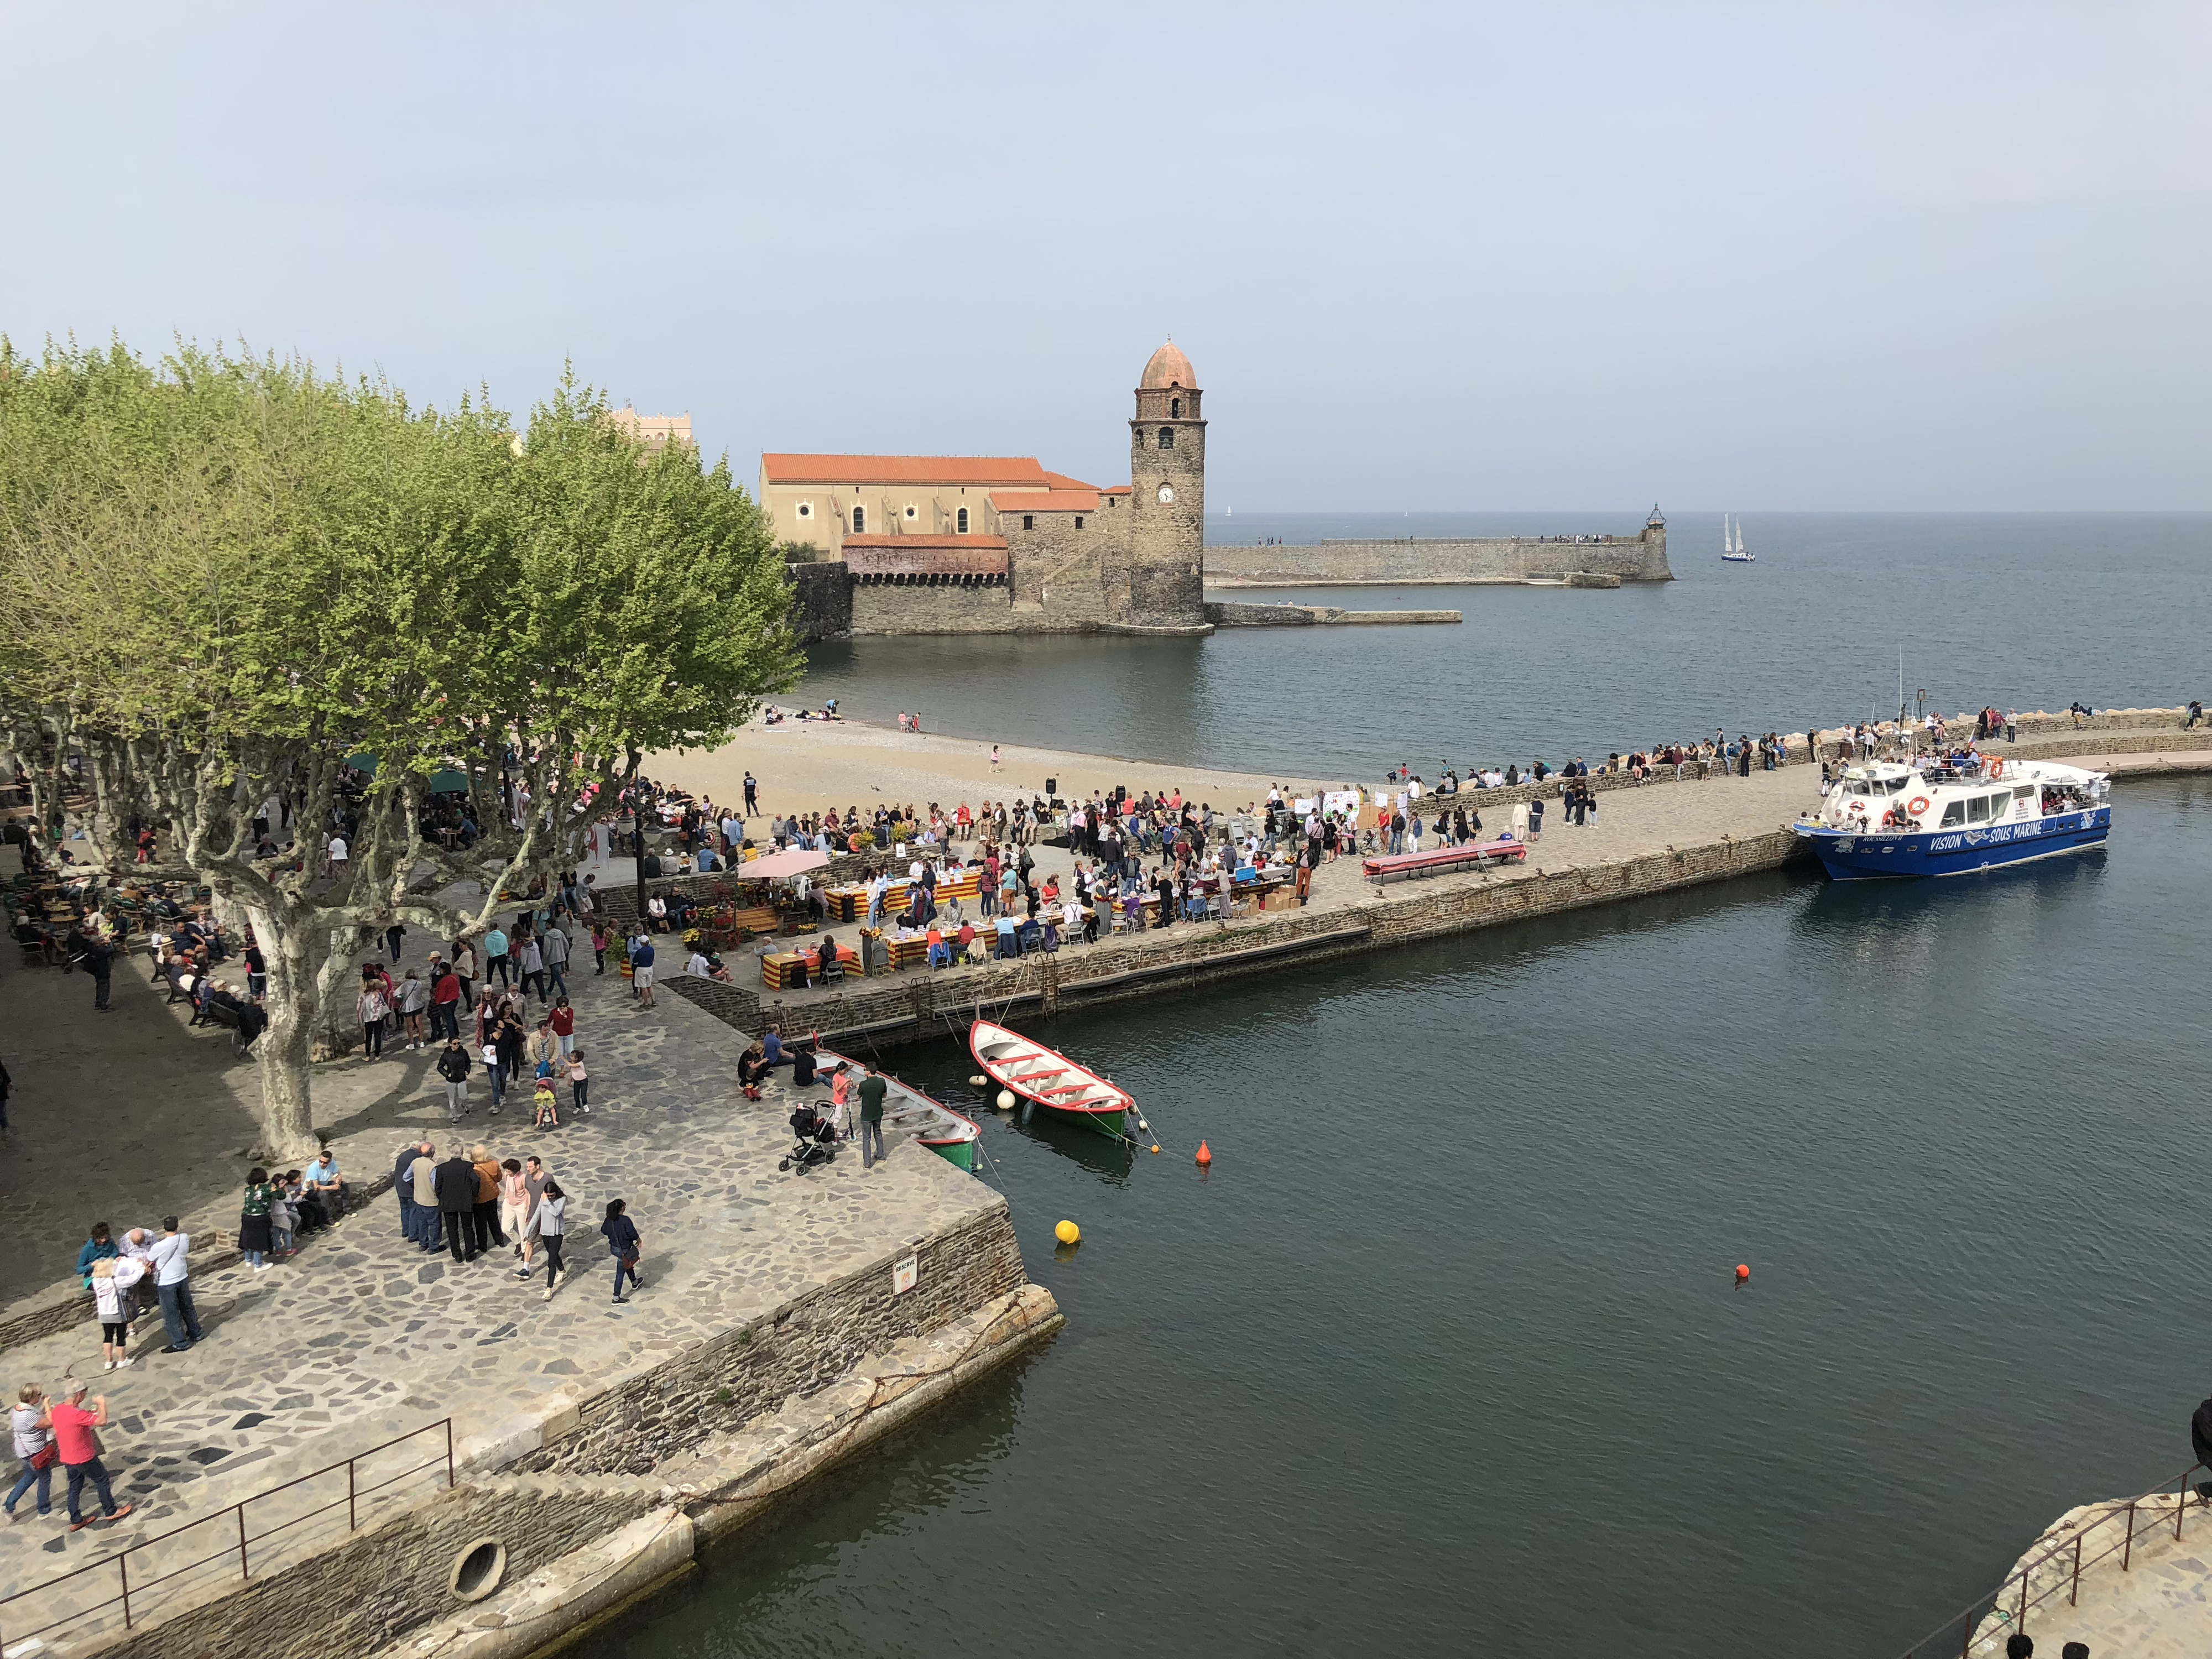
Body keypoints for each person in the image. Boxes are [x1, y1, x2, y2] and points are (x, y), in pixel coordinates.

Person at [50, 1384, 131, 1531]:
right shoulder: (77, 1414)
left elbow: (74, 1419)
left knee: (75, 1487)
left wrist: (88, 1413)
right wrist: (102, 1404)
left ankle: (76, 1519)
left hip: (68, 1457)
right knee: (102, 1479)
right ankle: (111, 1510)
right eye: (84, 1394)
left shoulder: (58, 1410)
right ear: (79, 1395)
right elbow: (102, 1422)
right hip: (84, 1456)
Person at [149, 1215, 202, 1353]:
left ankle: (179, 1343)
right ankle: (196, 1332)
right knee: (187, 1307)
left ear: (164, 1228)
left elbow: (149, 1260)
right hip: (182, 1276)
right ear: (177, 1226)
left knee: (171, 1314)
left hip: (167, 1282)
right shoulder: (184, 1238)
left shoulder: (159, 1246)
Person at [6, 1385, 54, 1522]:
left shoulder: (19, 1408)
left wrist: (45, 1409)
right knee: (45, 1478)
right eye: (39, 1395)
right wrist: (48, 1406)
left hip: (25, 1452)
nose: (41, 1396)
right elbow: (49, 1422)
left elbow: (37, 1418)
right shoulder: (27, 1415)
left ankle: (9, 1505)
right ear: (32, 1398)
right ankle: (44, 1510)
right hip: (35, 1453)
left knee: (29, 1477)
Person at [434, 1144, 479, 1262]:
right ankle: (470, 1254)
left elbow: (437, 1187)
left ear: (451, 1153)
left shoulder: (442, 1168)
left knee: (452, 1229)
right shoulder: (468, 1166)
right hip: (465, 1201)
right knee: (468, 1228)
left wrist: (442, 1197)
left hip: (448, 1202)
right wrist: (473, 1195)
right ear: (462, 1153)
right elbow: (475, 1181)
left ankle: (457, 1255)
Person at [528, 1178, 568, 1297]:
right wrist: (528, 1232)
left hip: (556, 1233)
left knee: (551, 1260)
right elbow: (537, 1215)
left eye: (552, 1195)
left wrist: (547, 1202)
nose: (550, 1197)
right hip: (545, 1232)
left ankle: (549, 1289)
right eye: (548, 1195)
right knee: (553, 1254)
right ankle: (562, 1270)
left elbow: (556, 1212)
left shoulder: (562, 1199)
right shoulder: (544, 1199)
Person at [90, 1259, 132, 1369]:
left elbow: (97, 1266)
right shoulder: (114, 1281)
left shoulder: (94, 1282)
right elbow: (130, 1279)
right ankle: (122, 1360)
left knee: (108, 1337)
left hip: (104, 1313)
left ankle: (108, 1362)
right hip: (116, 1312)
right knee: (121, 1336)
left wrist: (98, 1264)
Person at [602, 1198, 643, 1303]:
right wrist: (638, 1239)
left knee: (627, 1263)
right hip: (624, 1249)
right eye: (624, 1205)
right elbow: (632, 1233)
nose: (625, 1206)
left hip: (614, 1248)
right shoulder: (625, 1220)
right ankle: (616, 1297)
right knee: (620, 1273)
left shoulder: (609, 1220)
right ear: (621, 1208)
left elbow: (604, 1230)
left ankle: (635, 1282)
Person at [239, 1167, 276, 1272]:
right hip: (260, 1217)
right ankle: (258, 1264)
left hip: (246, 1216)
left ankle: (248, 1260)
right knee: (259, 1241)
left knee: (248, 1238)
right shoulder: (266, 1188)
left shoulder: (248, 1190)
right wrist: (275, 1189)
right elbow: (280, 1195)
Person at [408, 1142, 442, 1253]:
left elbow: (406, 1177)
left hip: (418, 1198)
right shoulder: (432, 1166)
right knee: (434, 1224)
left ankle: (423, 1244)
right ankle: (434, 1247)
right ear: (432, 1153)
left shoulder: (415, 1162)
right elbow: (435, 1184)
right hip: (431, 1200)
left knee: (422, 1223)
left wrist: (416, 1186)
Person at [857, 1062, 888, 1171]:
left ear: (868, 1071)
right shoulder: (882, 1081)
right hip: (877, 1113)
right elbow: (885, 1095)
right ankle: (881, 1156)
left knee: (867, 1138)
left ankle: (867, 1163)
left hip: (866, 1114)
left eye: (864, 1069)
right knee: (878, 1133)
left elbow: (858, 1096)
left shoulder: (863, 1084)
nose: (864, 1071)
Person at [437, 1037, 472, 1120]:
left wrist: (467, 1071)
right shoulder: (446, 1055)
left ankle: (464, 1105)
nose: (457, 1045)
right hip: (451, 1080)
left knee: (463, 1097)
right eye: (455, 1044)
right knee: (452, 1099)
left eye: (458, 1043)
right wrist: (447, 1074)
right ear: (450, 1045)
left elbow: (468, 1062)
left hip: (462, 1078)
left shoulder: (464, 1053)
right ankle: (455, 1116)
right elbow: (440, 1067)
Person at [632, 933, 656, 1009]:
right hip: (650, 968)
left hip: (642, 969)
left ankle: (646, 1003)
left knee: (644, 987)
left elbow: (635, 961)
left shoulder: (639, 952)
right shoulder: (652, 949)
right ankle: (653, 1000)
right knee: (649, 985)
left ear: (641, 943)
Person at [568, 1048, 589, 1115]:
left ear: (577, 1058)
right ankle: (578, 1107)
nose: (570, 1057)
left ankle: (585, 1105)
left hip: (583, 1081)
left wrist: (564, 1059)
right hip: (576, 1082)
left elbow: (570, 1065)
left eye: (572, 1056)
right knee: (576, 1095)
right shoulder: (572, 1064)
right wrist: (570, 1080)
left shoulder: (580, 1064)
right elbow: (572, 1073)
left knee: (583, 1094)